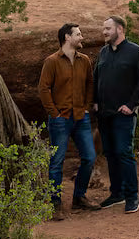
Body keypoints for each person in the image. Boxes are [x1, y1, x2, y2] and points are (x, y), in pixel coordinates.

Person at [38, 23, 100, 220]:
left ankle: (79, 197)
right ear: (67, 37)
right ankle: (54, 203)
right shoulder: (52, 61)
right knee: (57, 162)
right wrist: (54, 113)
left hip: (81, 118)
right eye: (78, 34)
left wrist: (87, 106)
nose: (82, 37)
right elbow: (43, 88)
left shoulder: (85, 61)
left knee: (89, 158)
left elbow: (90, 83)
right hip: (60, 120)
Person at [93, 15, 139, 214]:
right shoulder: (103, 53)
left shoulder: (136, 52)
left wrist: (131, 105)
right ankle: (116, 193)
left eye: (108, 28)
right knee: (110, 154)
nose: (104, 32)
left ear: (120, 29)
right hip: (104, 114)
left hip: (124, 115)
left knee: (124, 153)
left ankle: (132, 197)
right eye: (104, 29)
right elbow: (96, 79)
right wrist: (94, 101)